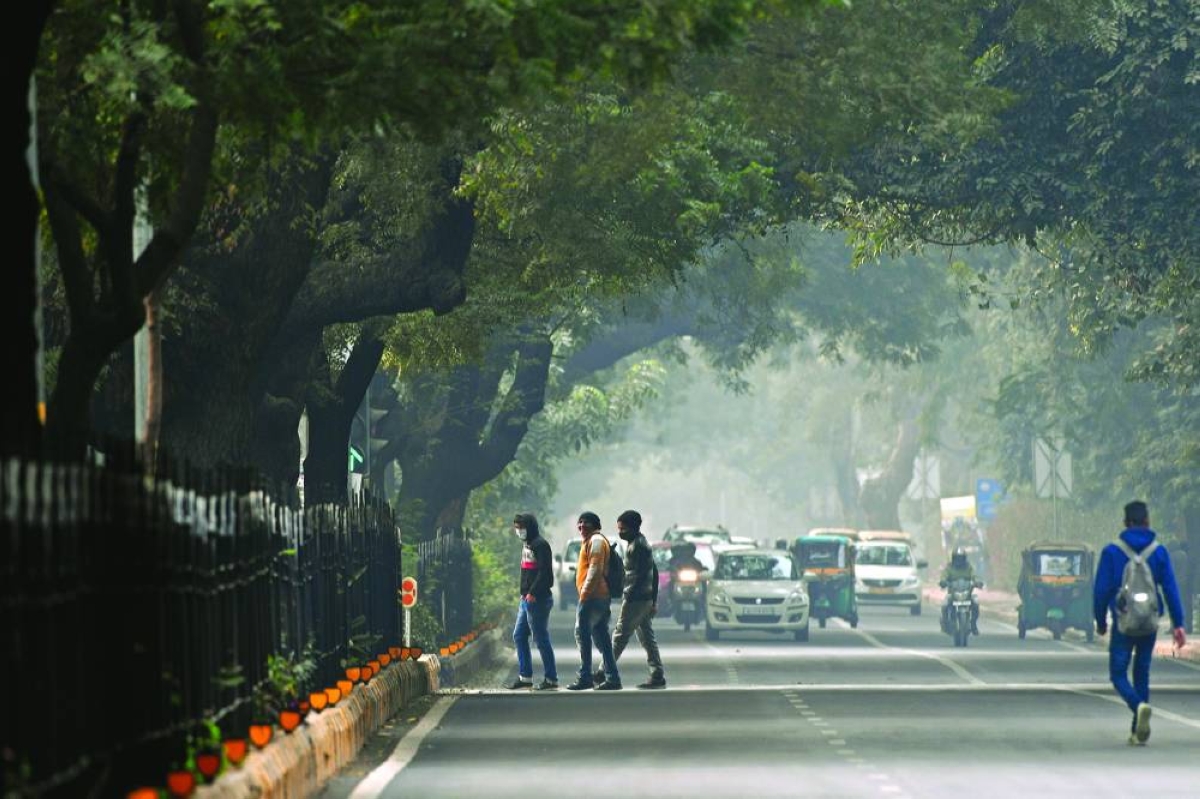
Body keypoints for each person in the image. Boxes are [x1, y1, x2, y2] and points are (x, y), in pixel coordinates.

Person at [1094, 500, 1188, 745]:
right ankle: (1138, 731)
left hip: (1123, 622)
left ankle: (1138, 707)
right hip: (1149, 622)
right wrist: (1178, 623)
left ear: (1126, 523)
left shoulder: (1112, 552)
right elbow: (1170, 588)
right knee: (1142, 672)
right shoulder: (1159, 552)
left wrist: (1100, 619)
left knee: (1118, 674)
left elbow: (1101, 590)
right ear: (1147, 521)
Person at [593, 510, 666, 690]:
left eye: (623, 528)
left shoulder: (638, 546)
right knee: (647, 637)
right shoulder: (637, 543)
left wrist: (629, 596)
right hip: (643, 598)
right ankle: (657, 674)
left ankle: (605, 672)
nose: (620, 532)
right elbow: (653, 572)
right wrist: (653, 599)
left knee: (619, 635)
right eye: (619, 528)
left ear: (634, 527)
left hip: (636, 599)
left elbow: (642, 575)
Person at [566, 511, 621, 691]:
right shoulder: (589, 541)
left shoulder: (596, 541)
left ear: (595, 525)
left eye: (586, 523)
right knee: (602, 639)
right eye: (580, 523)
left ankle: (585, 677)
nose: (582, 526)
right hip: (596, 596)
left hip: (593, 597)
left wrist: (585, 593)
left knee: (582, 634)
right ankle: (612, 678)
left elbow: (595, 570)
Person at [507, 513, 558, 690]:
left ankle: (551, 678)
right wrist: (524, 593)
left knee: (540, 638)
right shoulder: (527, 545)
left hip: (538, 599)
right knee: (519, 635)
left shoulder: (540, 545)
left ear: (530, 527)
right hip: (526, 599)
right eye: (516, 527)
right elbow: (527, 573)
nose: (518, 531)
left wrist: (533, 592)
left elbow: (545, 574)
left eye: (521, 527)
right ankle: (525, 676)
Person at [939, 547, 980, 635]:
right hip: (953, 593)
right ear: (953, 558)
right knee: (944, 605)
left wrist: (977, 582)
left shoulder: (968, 567)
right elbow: (944, 576)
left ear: (964, 558)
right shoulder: (949, 567)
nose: (959, 561)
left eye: (961, 558)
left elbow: (974, 575)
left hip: (967, 593)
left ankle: (973, 624)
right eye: (957, 558)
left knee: (976, 603)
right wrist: (943, 582)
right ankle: (946, 623)